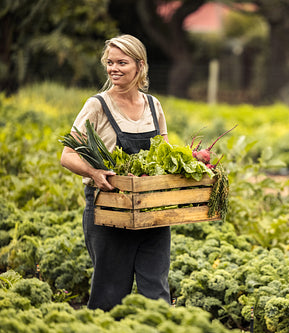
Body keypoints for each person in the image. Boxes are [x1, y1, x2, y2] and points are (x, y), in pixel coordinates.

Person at [60, 34, 171, 311]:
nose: (114, 69)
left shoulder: (153, 105)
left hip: (151, 211)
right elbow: (67, 155)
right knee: (109, 294)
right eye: (109, 62)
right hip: (108, 210)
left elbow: (164, 154)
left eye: (122, 62)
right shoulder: (97, 105)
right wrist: (95, 172)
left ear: (139, 65)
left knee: (156, 292)